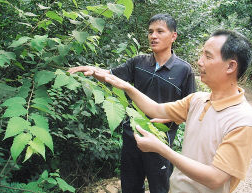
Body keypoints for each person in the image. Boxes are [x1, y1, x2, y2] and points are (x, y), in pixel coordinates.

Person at [92, 29, 252, 193]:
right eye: (202, 54)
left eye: (208, 56)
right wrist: (127, 87)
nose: (200, 62)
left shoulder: (244, 121)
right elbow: (156, 109)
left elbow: (215, 178)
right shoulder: (197, 100)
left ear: (230, 66)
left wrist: (161, 149)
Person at [68, 13, 196, 193]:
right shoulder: (139, 62)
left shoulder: (184, 70)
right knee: (130, 184)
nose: (153, 36)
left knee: (160, 187)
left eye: (160, 31)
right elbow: (111, 75)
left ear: (173, 36)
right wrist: (93, 70)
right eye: (150, 32)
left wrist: (171, 122)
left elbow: (192, 107)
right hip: (132, 134)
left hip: (160, 139)